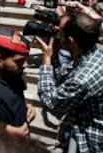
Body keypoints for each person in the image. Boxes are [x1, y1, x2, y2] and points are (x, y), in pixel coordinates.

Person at [36, 12, 103, 153]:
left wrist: (46, 61)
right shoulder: (96, 51)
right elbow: (67, 73)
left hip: (91, 141)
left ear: (71, 41)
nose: (57, 34)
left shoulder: (82, 80)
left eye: (61, 32)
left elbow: (52, 101)